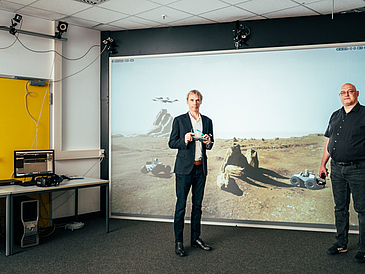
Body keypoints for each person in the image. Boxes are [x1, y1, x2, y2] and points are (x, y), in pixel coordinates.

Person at [319, 83, 365, 263]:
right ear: (340, 96)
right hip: (336, 169)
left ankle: (363, 249)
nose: (346, 94)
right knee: (340, 208)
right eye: (343, 92)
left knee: (362, 210)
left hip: (359, 169)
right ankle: (341, 243)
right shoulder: (335, 115)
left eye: (350, 91)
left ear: (357, 94)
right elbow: (330, 141)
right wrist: (323, 164)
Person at [168, 89, 214, 257]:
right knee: (181, 207)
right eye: (192, 100)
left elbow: (210, 143)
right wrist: (184, 140)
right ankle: (178, 242)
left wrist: (209, 142)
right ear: (187, 101)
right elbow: (172, 142)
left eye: (198, 100)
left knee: (197, 206)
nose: (195, 103)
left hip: (200, 169)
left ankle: (195, 239)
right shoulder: (179, 121)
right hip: (183, 170)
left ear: (201, 102)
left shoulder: (208, 121)